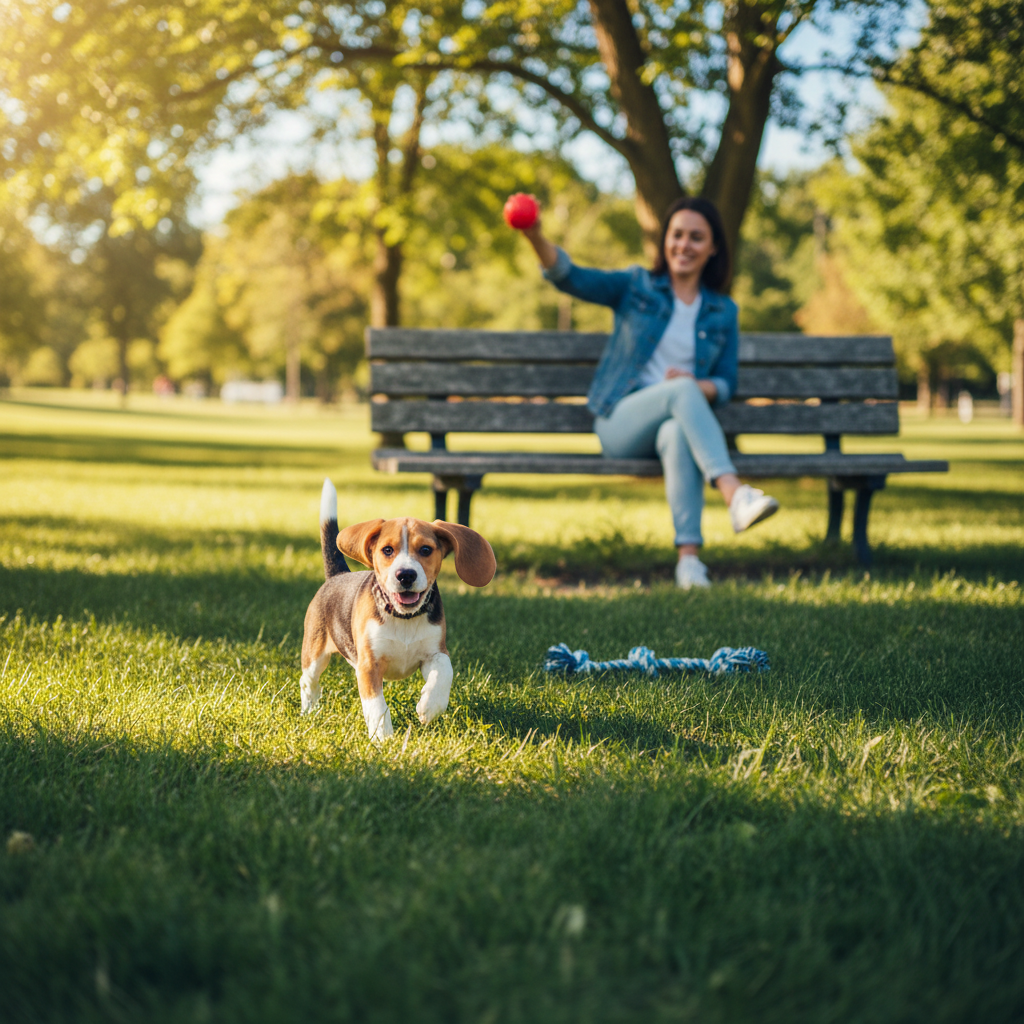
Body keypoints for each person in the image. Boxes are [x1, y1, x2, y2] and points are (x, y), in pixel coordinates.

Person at [514, 196, 778, 589]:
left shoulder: (723, 311)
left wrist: (696, 383)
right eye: (676, 235)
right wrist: (534, 235)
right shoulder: (636, 286)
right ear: (665, 240)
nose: (683, 245)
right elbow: (570, 276)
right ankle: (733, 492)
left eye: (696, 237)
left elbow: (726, 382)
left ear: (713, 247)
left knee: (676, 426)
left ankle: (689, 562)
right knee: (681, 392)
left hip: (673, 425)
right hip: (619, 422)